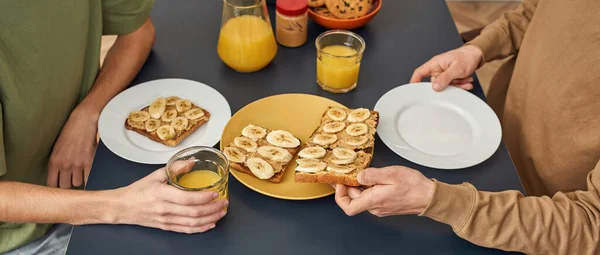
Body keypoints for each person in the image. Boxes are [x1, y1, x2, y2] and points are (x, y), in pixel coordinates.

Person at [333, 1, 600, 254]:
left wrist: (436, 200)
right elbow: (538, 11)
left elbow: (590, 227)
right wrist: (479, 49)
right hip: (492, 137)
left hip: (531, 217)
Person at [0, 1, 227, 254]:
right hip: (23, 236)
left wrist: (88, 111)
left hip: (92, 175)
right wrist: (121, 206)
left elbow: (138, 31)